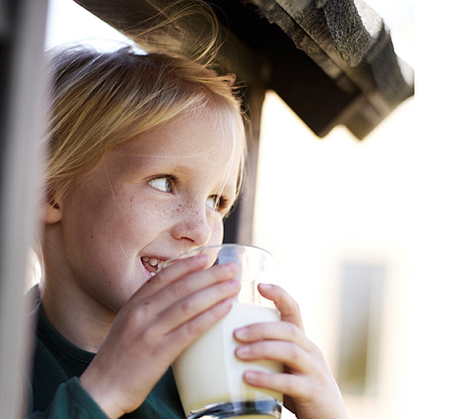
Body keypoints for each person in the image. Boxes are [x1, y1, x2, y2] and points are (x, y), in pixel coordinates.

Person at [29, 21, 348, 419]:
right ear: (49, 192)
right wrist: (104, 392)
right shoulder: (1, 356)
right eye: (164, 183)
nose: (200, 231)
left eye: (217, 202)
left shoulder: (216, 368)